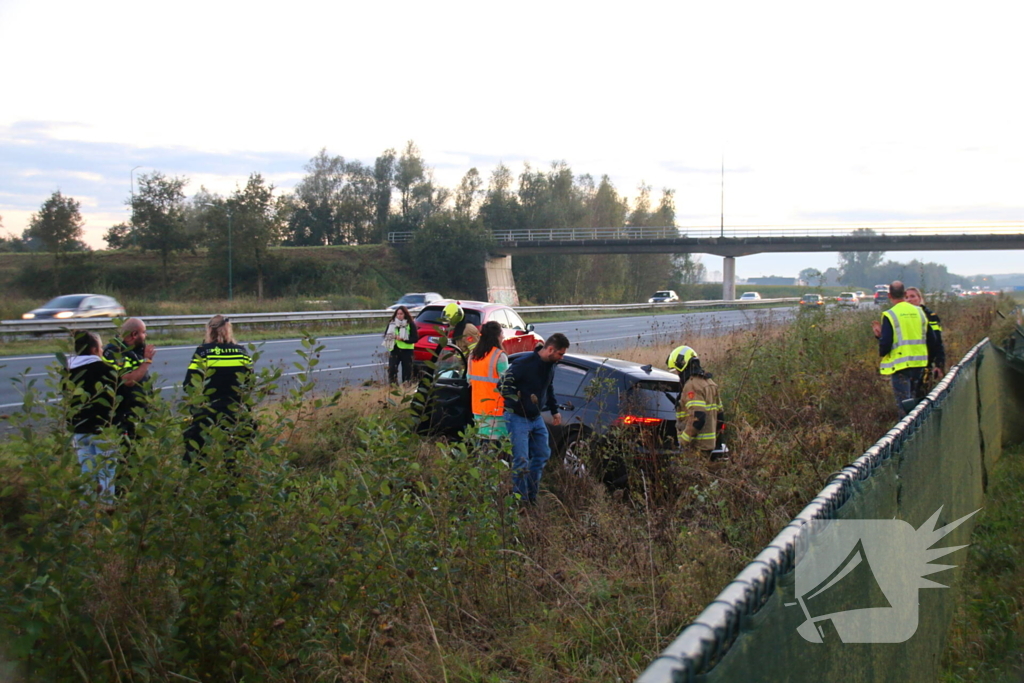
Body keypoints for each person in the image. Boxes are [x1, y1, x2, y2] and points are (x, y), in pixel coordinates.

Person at [501, 332, 569, 504]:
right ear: (550, 349)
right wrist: (519, 403)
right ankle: (519, 500)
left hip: (536, 418)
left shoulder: (550, 365)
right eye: (560, 354)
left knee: (542, 454)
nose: (561, 358)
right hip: (517, 417)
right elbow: (502, 385)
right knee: (521, 460)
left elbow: (549, 387)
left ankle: (531, 497)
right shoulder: (524, 363)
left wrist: (554, 410)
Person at [182, 315, 254, 464]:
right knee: (235, 452)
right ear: (229, 330)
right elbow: (250, 383)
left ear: (209, 330)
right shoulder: (241, 352)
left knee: (195, 449)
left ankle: (196, 476)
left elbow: (189, 384)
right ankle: (232, 479)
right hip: (235, 409)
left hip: (208, 409)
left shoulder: (203, 352)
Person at [871, 281, 937, 416]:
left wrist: (879, 337)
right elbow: (932, 339)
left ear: (889, 295)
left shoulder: (890, 314)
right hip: (919, 364)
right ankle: (918, 430)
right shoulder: (919, 311)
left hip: (900, 366)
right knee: (914, 401)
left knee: (904, 406)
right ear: (904, 294)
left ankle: (908, 435)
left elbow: (886, 345)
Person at [67, 331, 119, 502]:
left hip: (79, 428)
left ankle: (86, 509)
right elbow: (118, 396)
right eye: (101, 346)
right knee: (107, 470)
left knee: (86, 470)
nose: (102, 349)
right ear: (94, 349)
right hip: (102, 428)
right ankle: (106, 506)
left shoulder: (67, 370)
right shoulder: (105, 369)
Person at [103, 317, 156, 441]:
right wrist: (147, 361)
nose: (145, 335)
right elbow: (128, 380)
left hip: (136, 411)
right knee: (127, 450)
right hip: (123, 413)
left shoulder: (133, 351)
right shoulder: (115, 352)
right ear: (134, 334)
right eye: (144, 332)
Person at [667, 345, 725, 459]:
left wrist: (683, 441)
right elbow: (720, 415)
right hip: (709, 446)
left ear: (682, 365)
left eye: (677, 370)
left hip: (696, 447)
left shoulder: (692, 385)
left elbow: (698, 417)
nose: (677, 374)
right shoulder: (710, 382)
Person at [468, 321, 509, 446]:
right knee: (496, 448)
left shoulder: (473, 355)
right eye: (501, 333)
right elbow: (507, 384)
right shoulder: (499, 356)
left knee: (481, 444)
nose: (503, 336)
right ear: (496, 336)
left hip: (478, 408)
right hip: (496, 409)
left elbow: (469, 379)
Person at [905, 286, 946, 397]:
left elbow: (938, 341)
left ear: (920, 298)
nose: (909, 300)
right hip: (906, 364)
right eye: (906, 297)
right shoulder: (901, 316)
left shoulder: (930, 316)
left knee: (921, 395)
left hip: (925, 362)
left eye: (912, 296)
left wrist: (939, 364)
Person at [383, 306, 418, 384]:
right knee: (392, 369)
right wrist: (391, 336)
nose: (399, 315)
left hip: (407, 350)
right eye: (398, 314)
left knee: (407, 370)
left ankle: (406, 386)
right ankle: (393, 386)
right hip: (394, 348)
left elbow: (415, 338)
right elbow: (386, 334)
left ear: (405, 314)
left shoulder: (410, 324)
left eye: (401, 314)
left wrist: (404, 339)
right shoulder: (392, 324)